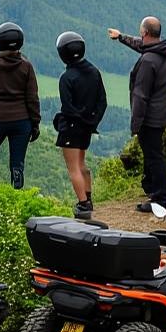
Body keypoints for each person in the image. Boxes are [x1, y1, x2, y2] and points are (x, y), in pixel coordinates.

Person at [108, 16, 166, 212]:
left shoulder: (147, 61)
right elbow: (144, 46)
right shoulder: (163, 51)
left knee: (154, 157)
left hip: (150, 117)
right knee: (154, 155)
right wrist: (121, 37)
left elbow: (140, 95)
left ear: (144, 32)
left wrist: (135, 124)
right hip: (161, 113)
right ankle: (154, 191)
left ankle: (160, 199)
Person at [0, 21, 41, 189]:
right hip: (22, 122)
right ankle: (17, 194)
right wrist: (35, 124)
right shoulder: (26, 66)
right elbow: (32, 98)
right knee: (17, 162)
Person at [53, 31, 107, 220]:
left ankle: (83, 205)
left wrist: (62, 120)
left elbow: (68, 107)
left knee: (73, 167)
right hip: (87, 128)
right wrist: (92, 122)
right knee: (82, 164)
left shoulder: (67, 78)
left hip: (71, 128)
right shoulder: (94, 72)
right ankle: (88, 197)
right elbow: (102, 102)